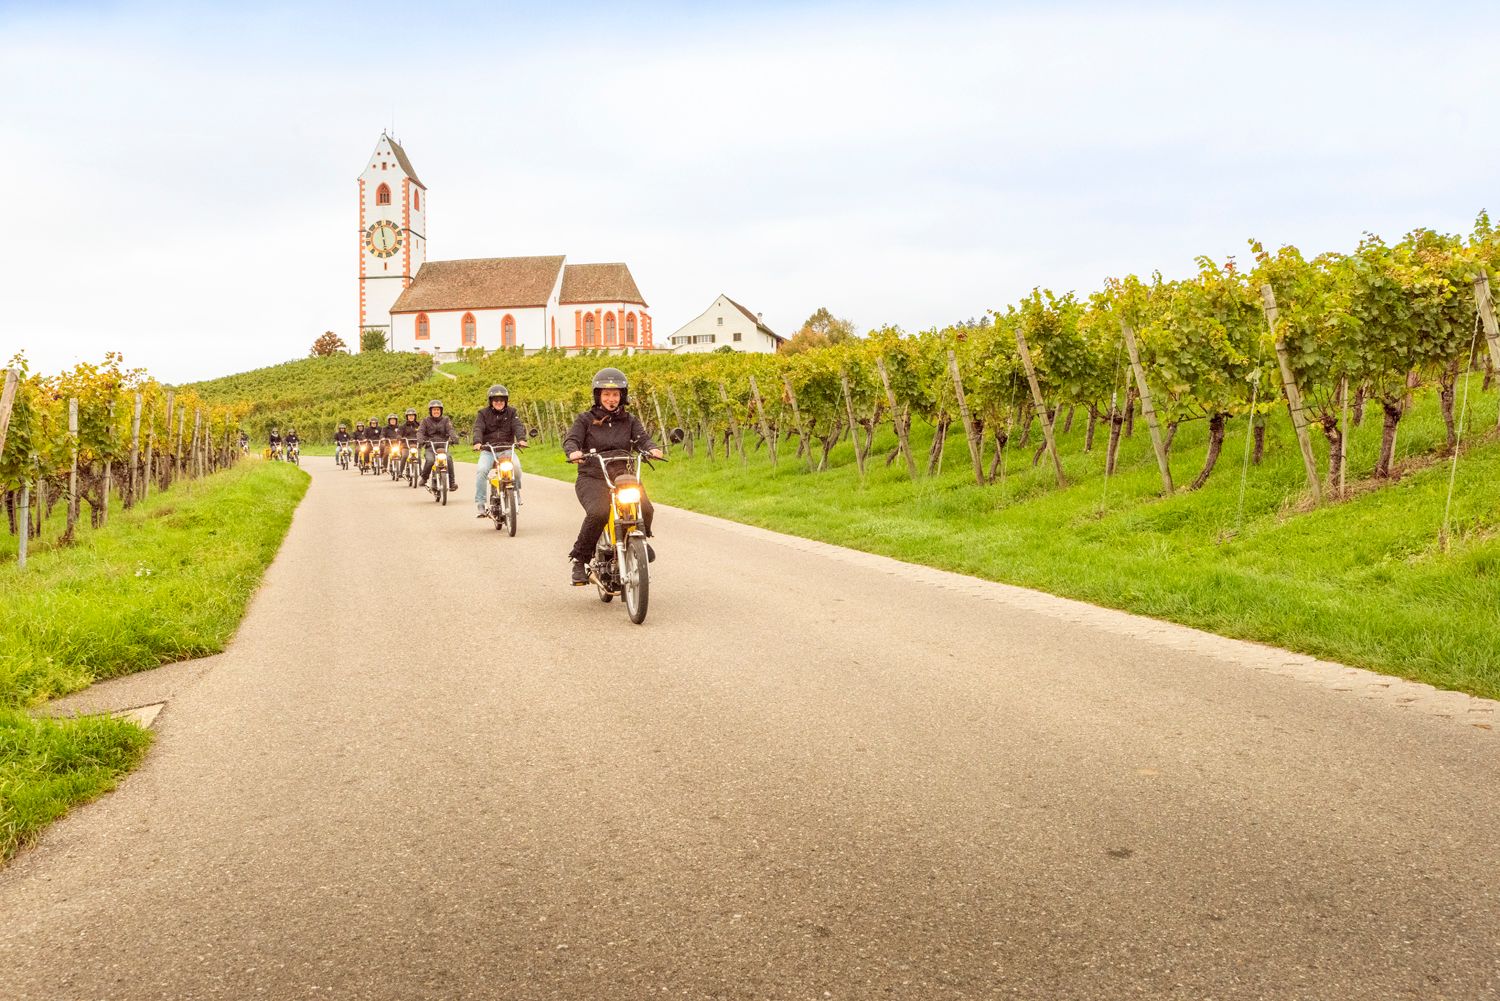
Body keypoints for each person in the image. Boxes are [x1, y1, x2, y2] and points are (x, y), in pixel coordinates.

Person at [563, 368, 661, 585]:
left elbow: (643, 439)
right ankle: (580, 560)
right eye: (606, 394)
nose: (611, 399)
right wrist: (573, 452)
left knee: (645, 508)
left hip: (623, 475)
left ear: (622, 396)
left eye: (615, 394)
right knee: (599, 512)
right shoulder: (584, 420)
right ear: (598, 395)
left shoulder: (630, 420)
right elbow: (571, 440)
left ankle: (639, 542)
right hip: (593, 476)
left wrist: (652, 449)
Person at [471, 384, 528, 516]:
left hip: (507, 449)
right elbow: (478, 428)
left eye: (501, 400)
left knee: (517, 468)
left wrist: (521, 439)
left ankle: (516, 492)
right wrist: (478, 442)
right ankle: (480, 502)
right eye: (496, 400)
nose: (499, 403)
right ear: (491, 401)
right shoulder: (483, 414)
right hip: (488, 450)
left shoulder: (512, 412)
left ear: (506, 401)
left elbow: (517, 426)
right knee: (481, 471)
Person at [417, 399, 458, 490]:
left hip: (443, 446)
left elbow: (450, 430)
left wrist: (454, 438)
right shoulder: (425, 421)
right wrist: (420, 440)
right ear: (431, 411)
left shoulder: (446, 420)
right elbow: (420, 431)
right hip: (430, 446)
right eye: (434, 410)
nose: (436, 411)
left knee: (448, 459)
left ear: (441, 411)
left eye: (438, 410)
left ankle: (452, 483)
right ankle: (424, 477)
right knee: (430, 460)